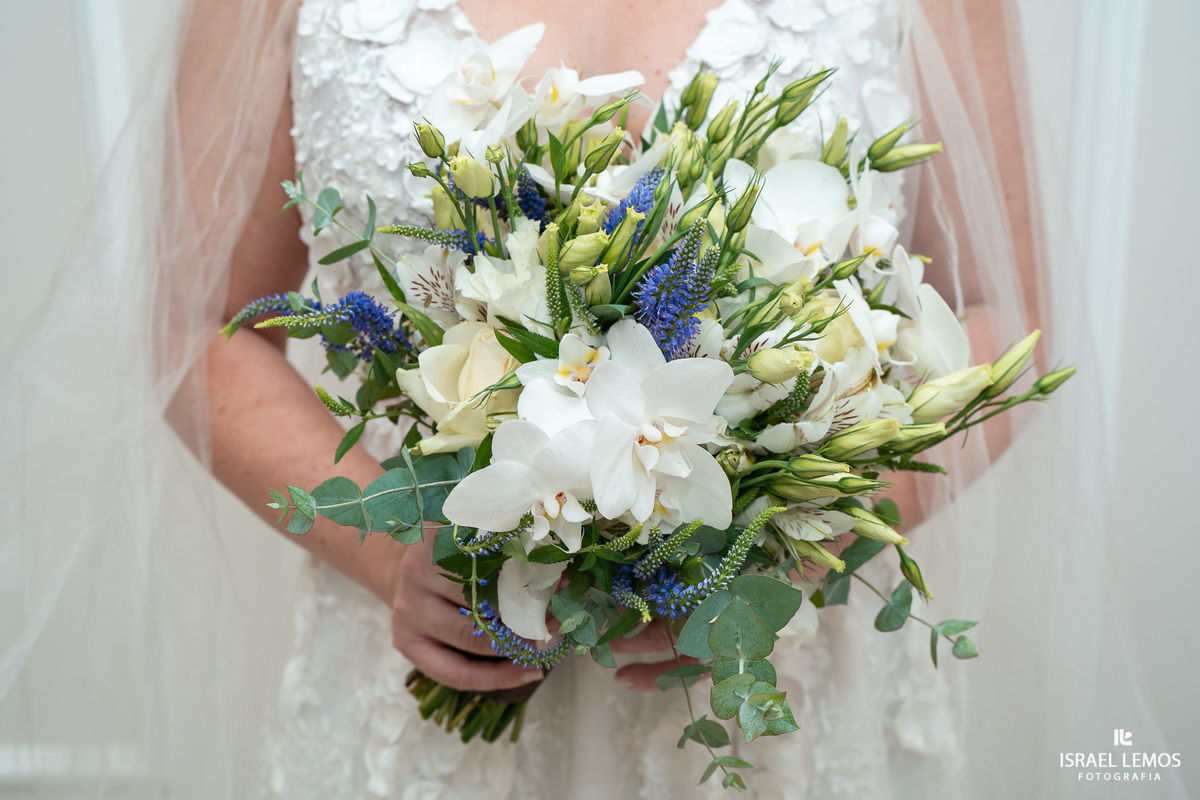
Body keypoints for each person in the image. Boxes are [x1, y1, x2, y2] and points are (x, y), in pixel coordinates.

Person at [3, 0, 1167, 798]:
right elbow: (195, 321)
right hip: (428, 683)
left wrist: (784, 544)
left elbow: (1001, 319)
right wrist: (403, 545)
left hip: (771, 702)